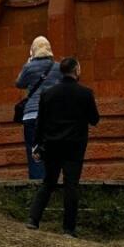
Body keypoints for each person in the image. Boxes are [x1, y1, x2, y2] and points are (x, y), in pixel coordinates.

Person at [27, 57, 100, 236]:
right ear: (75, 70)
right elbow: (94, 119)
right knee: (71, 185)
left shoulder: (48, 93)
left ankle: (33, 220)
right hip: (75, 145)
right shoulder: (85, 93)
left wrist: (36, 144)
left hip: (52, 144)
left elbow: (40, 121)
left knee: (48, 182)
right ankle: (69, 228)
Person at [15, 36, 62, 180]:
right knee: (52, 148)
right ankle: (51, 182)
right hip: (52, 115)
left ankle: (36, 183)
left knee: (33, 149)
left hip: (31, 114)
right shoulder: (58, 67)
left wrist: (28, 63)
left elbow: (19, 83)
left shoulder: (29, 67)